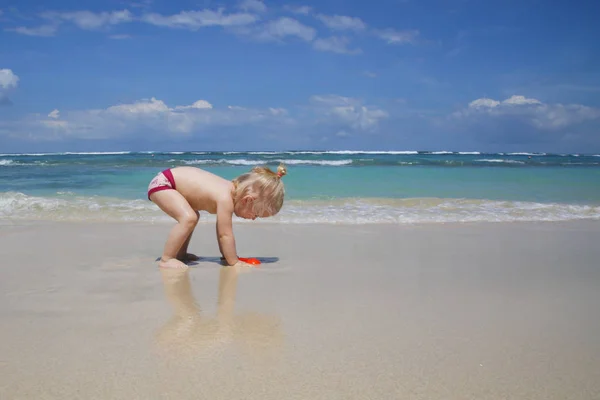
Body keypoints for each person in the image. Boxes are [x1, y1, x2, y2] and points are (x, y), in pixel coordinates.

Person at [147, 164, 287, 269]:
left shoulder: (228, 193)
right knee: (189, 218)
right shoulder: (225, 198)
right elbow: (224, 234)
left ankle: (180, 254)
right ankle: (167, 259)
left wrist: (227, 257)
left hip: (169, 182)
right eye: (256, 214)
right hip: (165, 184)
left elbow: (222, 231)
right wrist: (234, 262)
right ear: (247, 200)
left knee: (192, 216)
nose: (253, 219)